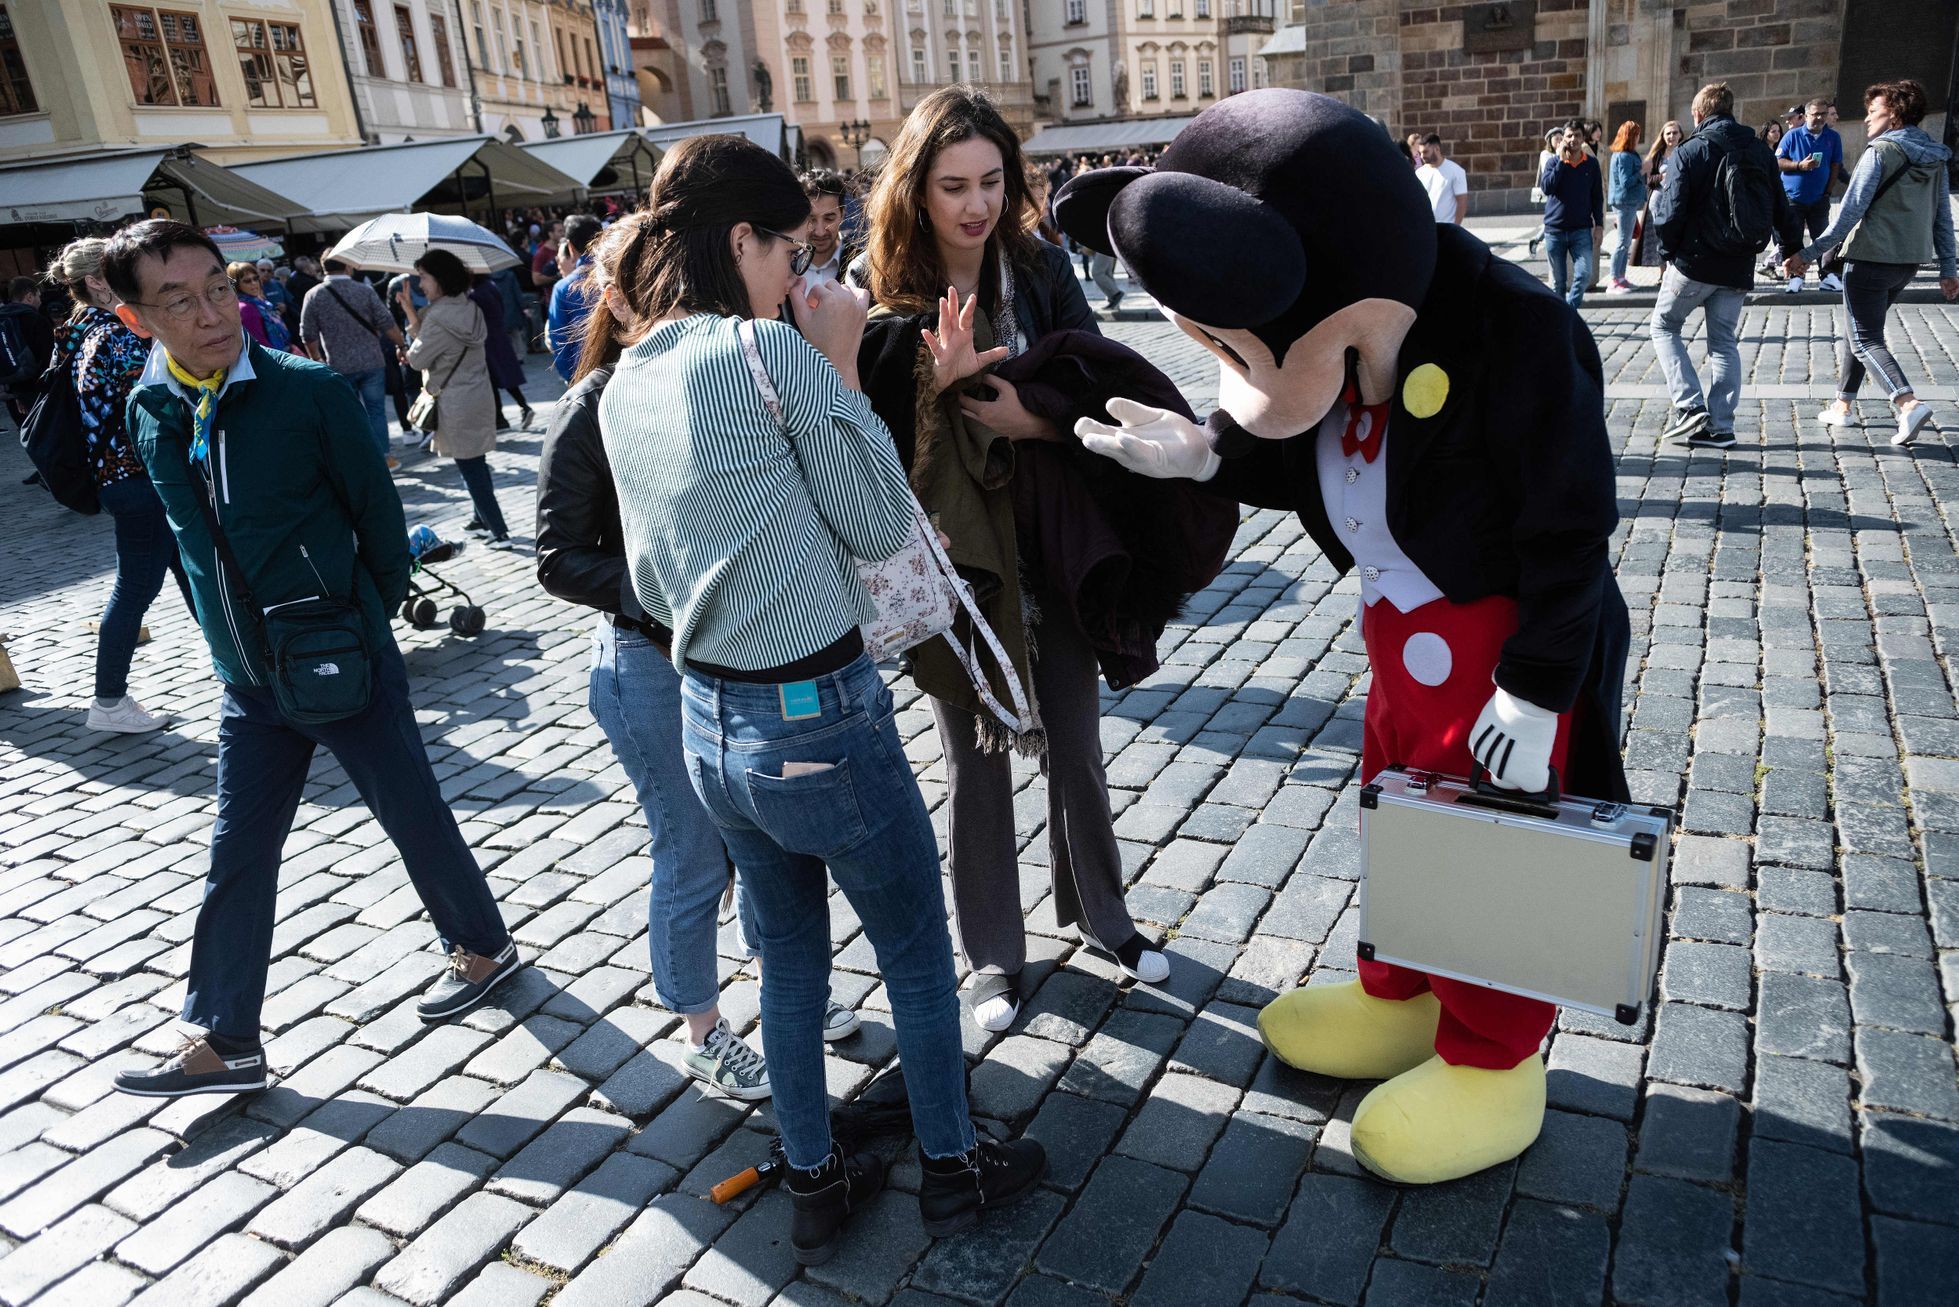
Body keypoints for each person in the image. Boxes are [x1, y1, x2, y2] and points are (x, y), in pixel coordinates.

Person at [598, 134, 1045, 1264]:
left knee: (788, 957)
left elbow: (654, 577)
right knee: (910, 949)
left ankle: (813, 1174)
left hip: (711, 717)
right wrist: (839, 364)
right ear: (741, 240)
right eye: (792, 249)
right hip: (821, 715)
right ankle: (952, 1165)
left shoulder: (624, 376)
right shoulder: (768, 351)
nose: (807, 274)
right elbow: (875, 517)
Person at [104, 220, 521, 1096]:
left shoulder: (307, 392)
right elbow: (189, 546)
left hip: (341, 657)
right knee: (237, 853)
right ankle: (225, 1037)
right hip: (248, 681)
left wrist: (361, 628)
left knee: (411, 809)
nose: (212, 312)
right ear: (137, 317)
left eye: (218, 286)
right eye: (178, 300)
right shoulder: (152, 408)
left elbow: (380, 526)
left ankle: (483, 946)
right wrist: (226, 643)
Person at [855, 85, 1171, 1034]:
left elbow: (1097, 383)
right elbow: (865, 436)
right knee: (976, 756)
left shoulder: (1034, 268)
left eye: (991, 180)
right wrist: (936, 383)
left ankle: (1104, 916)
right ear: (916, 190)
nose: (975, 203)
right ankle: (992, 954)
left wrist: (1031, 415)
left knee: (1075, 741)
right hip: (960, 562)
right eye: (953, 184)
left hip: (1053, 537)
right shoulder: (886, 290)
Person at [535, 217, 860, 1104]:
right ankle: (702, 1029)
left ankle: (790, 989)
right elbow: (558, 557)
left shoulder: (725, 369)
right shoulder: (597, 395)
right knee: (694, 855)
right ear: (620, 298)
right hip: (649, 664)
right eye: (662, 283)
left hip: (734, 656)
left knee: (773, 843)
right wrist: (677, 591)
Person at [42, 238, 194, 733]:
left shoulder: (86, 330)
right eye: (120, 269)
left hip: (129, 478)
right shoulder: (117, 336)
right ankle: (108, 701)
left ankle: (249, 670)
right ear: (95, 282)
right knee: (136, 590)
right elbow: (161, 404)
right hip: (138, 479)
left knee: (197, 576)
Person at [1789, 79, 1959, 446]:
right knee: (1859, 331)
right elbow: (1942, 217)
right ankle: (1842, 406)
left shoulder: (1879, 152)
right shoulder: (1936, 156)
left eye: (1873, 112)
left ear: (1894, 116)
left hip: (1869, 257)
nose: (1866, 119)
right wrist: (1948, 268)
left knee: (1865, 338)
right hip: (1908, 261)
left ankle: (1906, 402)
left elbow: (1848, 214)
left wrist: (1806, 255)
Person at [1649, 82, 1801, 450]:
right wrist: (1794, 250)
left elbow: (1670, 213)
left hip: (1696, 262)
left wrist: (1669, 254)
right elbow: (1782, 206)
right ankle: (1720, 427)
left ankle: (1688, 405)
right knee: (1723, 343)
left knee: (1664, 326)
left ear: (1699, 115)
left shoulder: (1692, 150)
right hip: (1738, 264)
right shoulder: (1760, 151)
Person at [399, 250, 513, 550]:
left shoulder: (437, 317)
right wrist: (415, 312)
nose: (420, 283)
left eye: (424, 277)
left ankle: (500, 531)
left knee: (470, 467)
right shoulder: (470, 307)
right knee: (476, 459)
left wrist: (412, 319)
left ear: (440, 278)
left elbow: (417, 359)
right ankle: (480, 519)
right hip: (478, 395)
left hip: (455, 402)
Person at [299, 258, 404, 466]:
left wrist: (316, 360)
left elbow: (307, 334)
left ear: (323, 267)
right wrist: (401, 344)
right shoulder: (364, 291)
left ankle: (360, 459)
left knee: (349, 414)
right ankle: (384, 457)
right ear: (347, 266)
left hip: (339, 365)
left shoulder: (314, 295)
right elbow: (386, 321)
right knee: (376, 411)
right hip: (372, 361)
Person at [1776, 98, 1846, 293]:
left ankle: (1827, 275)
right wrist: (1799, 165)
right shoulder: (1792, 136)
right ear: (1805, 116)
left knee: (1822, 238)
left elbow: (1835, 165)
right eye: (1815, 114)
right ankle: (1796, 277)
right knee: (1794, 239)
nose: (1819, 118)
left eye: (1823, 114)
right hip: (1793, 198)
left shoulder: (1833, 137)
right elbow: (1778, 161)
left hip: (1819, 199)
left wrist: (1828, 192)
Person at [1538, 119, 1603, 308]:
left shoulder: (1591, 164)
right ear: (1563, 139)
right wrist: (1561, 162)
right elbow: (1547, 188)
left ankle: (1569, 311)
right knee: (1558, 284)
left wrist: (1599, 225)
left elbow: (1597, 197)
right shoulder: (1552, 162)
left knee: (1583, 275)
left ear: (1583, 139)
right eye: (1569, 136)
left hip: (1581, 230)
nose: (1573, 139)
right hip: (1555, 230)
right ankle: (1562, 321)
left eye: (1577, 135)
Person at [469, 273, 533, 429]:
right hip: (500, 335)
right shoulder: (491, 287)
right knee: (504, 377)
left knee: (492, 380)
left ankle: (501, 417)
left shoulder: (476, 296)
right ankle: (519, 407)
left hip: (487, 341)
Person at [547, 215, 603, 381]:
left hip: (585, 376)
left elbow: (559, 341)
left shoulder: (563, 288)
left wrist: (573, 381)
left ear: (570, 247)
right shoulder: (618, 275)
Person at [0, 274, 55, 423]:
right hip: (40, 392)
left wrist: (16, 393)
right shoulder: (35, 319)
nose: (40, 300)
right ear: (29, 296)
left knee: (29, 436)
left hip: (15, 393)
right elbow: (49, 358)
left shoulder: (3, 319)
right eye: (38, 295)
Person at [1605, 120, 1646, 293]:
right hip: (1624, 202)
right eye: (1636, 135)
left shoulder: (1628, 154)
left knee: (1626, 241)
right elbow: (1626, 182)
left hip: (1628, 202)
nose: (1638, 138)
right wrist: (1642, 171)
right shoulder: (1623, 156)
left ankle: (1621, 277)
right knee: (1622, 242)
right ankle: (1614, 279)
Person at [228, 263, 291, 352]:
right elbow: (262, 346)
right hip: (275, 358)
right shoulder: (245, 309)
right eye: (247, 281)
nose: (253, 283)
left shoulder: (260, 302)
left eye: (255, 278)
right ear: (237, 285)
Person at [1415, 133, 1469, 224]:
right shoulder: (1419, 173)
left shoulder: (1456, 171)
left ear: (1437, 148)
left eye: (1425, 152)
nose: (1421, 156)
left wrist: (1455, 227)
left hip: (1447, 227)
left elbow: (1462, 202)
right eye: (1420, 153)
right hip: (1425, 227)